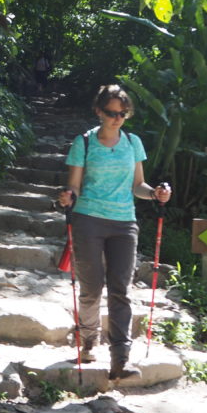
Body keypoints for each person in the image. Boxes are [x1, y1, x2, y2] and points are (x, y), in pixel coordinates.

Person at [57, 84, 171, 380]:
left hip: (124, 223)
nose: (118, 118)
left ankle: (120, 358)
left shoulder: (133, 142)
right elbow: (75, 186)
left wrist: (156, 193)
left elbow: (138, 186)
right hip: (88, 219)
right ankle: (87, 339)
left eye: (123, 113)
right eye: (111, 113)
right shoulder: (83, 143)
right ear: (99, 112)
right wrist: (68, 195)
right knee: (92, 288)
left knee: (121, 290)